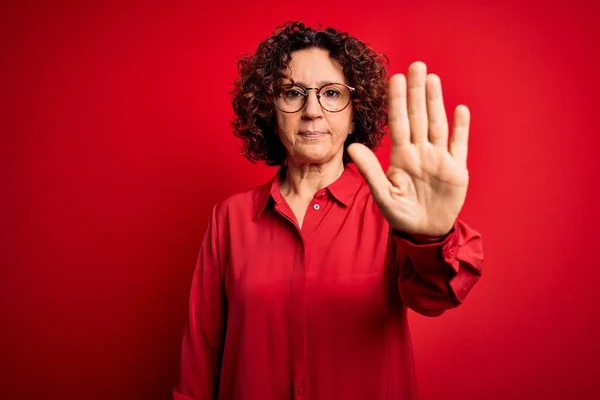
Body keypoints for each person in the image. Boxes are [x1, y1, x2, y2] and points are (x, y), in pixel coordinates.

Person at [173, 21, 483, 400]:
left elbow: (435, 295)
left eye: (332, 93)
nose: (312, 111)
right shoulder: (230, 219)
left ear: (356, 112)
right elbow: (201, 357)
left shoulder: (392, 211)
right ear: (270, 109)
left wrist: (431, 237)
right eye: (292, 93)